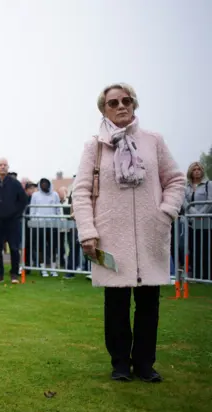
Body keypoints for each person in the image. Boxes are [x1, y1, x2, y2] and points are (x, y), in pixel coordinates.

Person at [73, 83, 185, 382]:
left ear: (134, 105)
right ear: (103, 109)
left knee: (149, 303)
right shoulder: (94, 146)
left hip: (150, 234)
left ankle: (145, 363)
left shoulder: (153, 141)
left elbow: (175, 180)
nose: (121, 106)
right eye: (113, 103)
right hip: (111, 235)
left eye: (127, 100)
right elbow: (81, 192)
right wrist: (88, 231)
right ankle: (120, 363)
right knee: (116, 304)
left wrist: (165, 212)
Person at [0, 158, 28, 284]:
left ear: (8, 167)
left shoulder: (15, 183)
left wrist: (17, 214)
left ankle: (14, 274)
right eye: (0, 165)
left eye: (5, 165)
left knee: (14, 248)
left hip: (12, 222)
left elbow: (23, 200)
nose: (3, 167)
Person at [183, 162, 212, 280]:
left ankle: (207, 275)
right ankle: (195, 274)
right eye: (194, 169)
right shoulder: (186, 186)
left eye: (199, 169)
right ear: (191, 171)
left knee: (206, 249)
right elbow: (184, 202)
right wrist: (194, 214)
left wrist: (201, 214)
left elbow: (210, 201)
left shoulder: (208, 184)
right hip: (191, 223)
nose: (197, 171)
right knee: (193, 249)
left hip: (205, 222)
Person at [30, 178, 62, 277]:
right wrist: (33, 222)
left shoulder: (55, 194)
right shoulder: (35, 195)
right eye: (42, 183)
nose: (44, 185)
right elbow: (32, 209)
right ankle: (43, 269)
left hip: (52, 225)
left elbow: (58, 209)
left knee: (53, 247)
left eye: (46, 183)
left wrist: (59, 221)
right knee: (40, 247)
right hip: (39, 225)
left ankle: (53, 269)